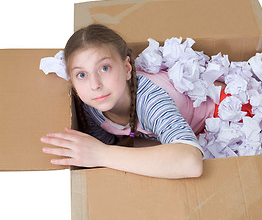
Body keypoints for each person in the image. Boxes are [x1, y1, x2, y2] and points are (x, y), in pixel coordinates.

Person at [40, 24, 222, 179]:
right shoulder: (92, 105)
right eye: (82, 75)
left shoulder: (150, 100)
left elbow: (191, 163)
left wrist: (101, 154)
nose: (95, 85)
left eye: (104, 68)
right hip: (176, 133)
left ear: (127, 68)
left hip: (224, 112)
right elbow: (114, 145)